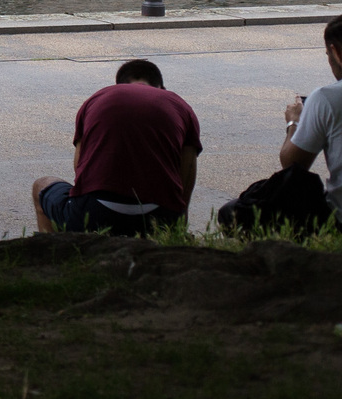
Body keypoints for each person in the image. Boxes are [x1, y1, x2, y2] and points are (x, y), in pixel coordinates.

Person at [31, 58, 200, 236]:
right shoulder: (180, 105)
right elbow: (186, 174)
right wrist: (178, 225)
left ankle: (54, 253)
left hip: (95, 214)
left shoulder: (98, 99)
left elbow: (80, 167)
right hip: (159, 218)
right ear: (161, 88)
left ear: (119, 85)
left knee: (41, 186)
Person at [217, 14, 342, 234]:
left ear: (336, 53)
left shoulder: (327, 98)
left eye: (327, 56)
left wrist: (293, 122)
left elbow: (293, 164)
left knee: (232, 212)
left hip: (338, 219)